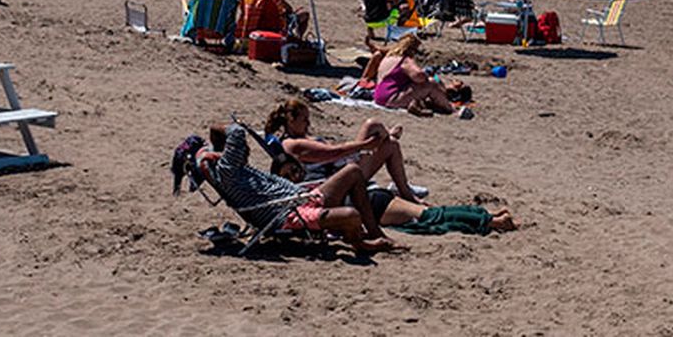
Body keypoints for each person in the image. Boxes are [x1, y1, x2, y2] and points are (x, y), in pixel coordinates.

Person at [193, 123, 393, 254]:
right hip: (289, 214)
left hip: (301, 198)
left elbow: (218, 134)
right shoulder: (228, 172)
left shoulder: (238, 171)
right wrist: (228, 130)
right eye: (243, 151)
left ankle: (375, 233)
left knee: (353, 171)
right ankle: (361, 245)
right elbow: (235, 132)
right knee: (351, 215)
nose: (246, 152)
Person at [272, 154, 516, 235]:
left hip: (373, 203)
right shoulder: (300, 195)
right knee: (428, 214)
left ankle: (490, 221)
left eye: (294, 169)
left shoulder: (309, 188)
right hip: (372, 200)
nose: (293, 176)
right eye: (287, 175)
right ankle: (487, 216)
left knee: (430, 215)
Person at [264, 97, 422, 202]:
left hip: (340, 170)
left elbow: (335, 153)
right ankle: (406, 192)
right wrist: (364, 145)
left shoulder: (301, 138)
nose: (308, 124)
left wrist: (364, 146)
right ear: (291, 121)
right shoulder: (292, 144)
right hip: (336, 183)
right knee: (372, 125)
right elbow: (333, 153)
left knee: (391, 144)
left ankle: (406, 191)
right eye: (304, 120)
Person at [372, 34, 454, 115]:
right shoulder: (405, 60)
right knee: (431, 84)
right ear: (411, 49)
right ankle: (449, 108)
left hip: (379, 96)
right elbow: (419, 77)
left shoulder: (388, 58)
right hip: (391, 98)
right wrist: (427, 75)